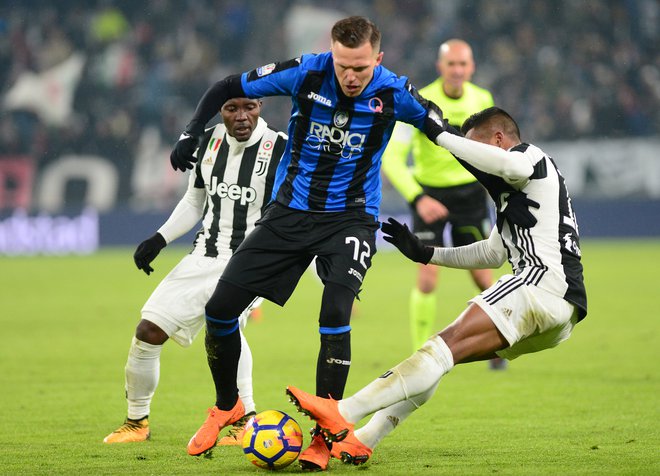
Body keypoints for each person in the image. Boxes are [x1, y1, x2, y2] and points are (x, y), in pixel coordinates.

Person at [168, 16, 453, 470]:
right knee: (219, 309)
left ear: (377, 59)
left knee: (336, 312)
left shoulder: (395, 92)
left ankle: (325, 432)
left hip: (351, 218)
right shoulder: (307, 71)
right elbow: (226, 86)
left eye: (360, 67)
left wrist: (481, 161)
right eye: (343, 65)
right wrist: (190, 132)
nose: (350, 76)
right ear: (332, 54)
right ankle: (229, 406)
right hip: (289, 213)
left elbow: (439, 126)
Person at [286, 106, 587, 465]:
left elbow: (508, 165)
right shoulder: (518, 196)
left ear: (498, 140)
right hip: (561, 311)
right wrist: (426, 252)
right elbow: (492, 253)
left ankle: (342, 412)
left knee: (437, 349)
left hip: (539, 285)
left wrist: (443, 137)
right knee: (443, 359)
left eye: (475, 148)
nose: (473, 161)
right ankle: (363, 439)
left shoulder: (529, 157)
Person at [103, 97, 287, 446]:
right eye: (232, 108)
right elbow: (194, 201)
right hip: (203, 255)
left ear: (261, 105)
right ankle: (136, 422)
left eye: (249, 106)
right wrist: (159, 238)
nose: (242, 116)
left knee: (224, 327)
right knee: (148, 331)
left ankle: (242, 419)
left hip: (250, 259)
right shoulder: (208, 141)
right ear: (220, 111)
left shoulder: (280, 149)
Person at [382, 40, 502, 370]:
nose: (458, 71)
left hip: (469, 196)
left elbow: (493, 152)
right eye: (452, 64)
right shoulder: (420, 102)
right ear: (441, 67)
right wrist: (418, 198)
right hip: (430, 195)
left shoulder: (483, 100)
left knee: (481, 274)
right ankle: (419, 353)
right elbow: (392, 157)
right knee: (427, 276)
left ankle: (498, 343)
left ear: (472, 67)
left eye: (463, 64)